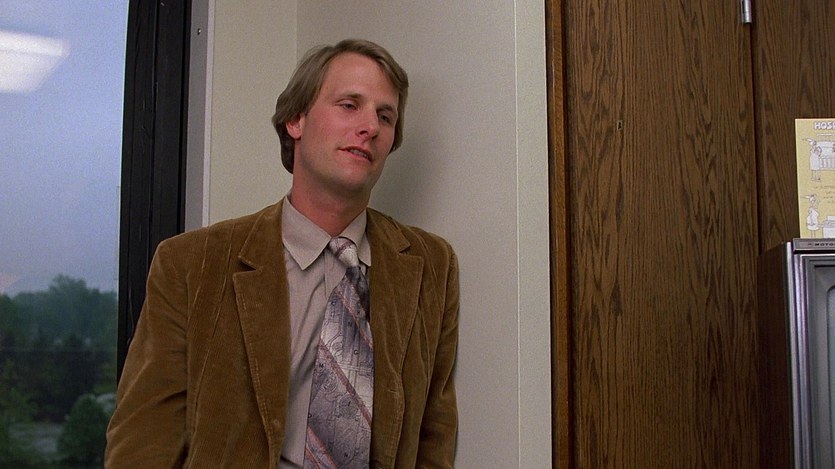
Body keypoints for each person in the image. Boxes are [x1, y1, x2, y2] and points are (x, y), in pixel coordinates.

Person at [105, 39, 459, 468]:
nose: (370, 126)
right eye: (349, 105)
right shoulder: (192, 264)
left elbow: (435, 434)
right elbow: (144, 442)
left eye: (385, 116)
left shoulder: (430, 265)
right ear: (296, 120)